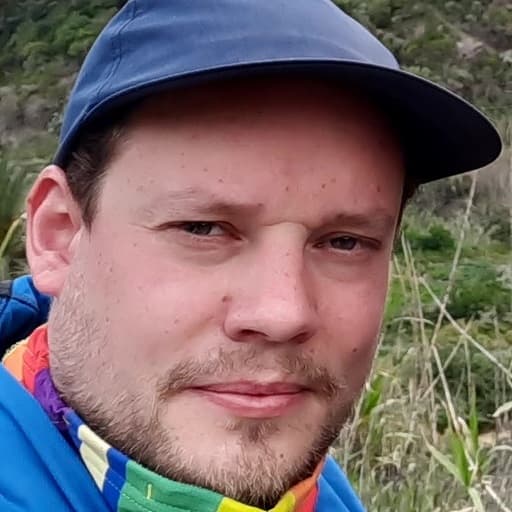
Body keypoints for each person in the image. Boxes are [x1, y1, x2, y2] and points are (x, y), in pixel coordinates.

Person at [0, 1, 501, 511]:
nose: (283, 314)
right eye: (203, 229)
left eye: (345, 242)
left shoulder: (315, 490)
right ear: (58, 236)